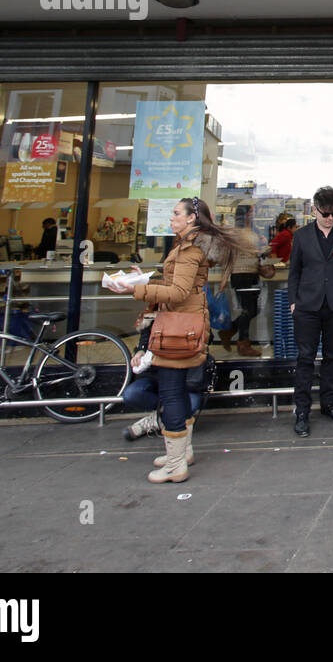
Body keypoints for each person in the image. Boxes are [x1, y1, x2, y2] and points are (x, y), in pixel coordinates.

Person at [104, 195, 242, 483]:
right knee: (175, 392)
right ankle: (182, 452)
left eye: (176, 213)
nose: (171, 218)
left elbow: (178, 294)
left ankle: (176, 464)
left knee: (170, 392)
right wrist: (145, 282)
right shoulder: (185, 248)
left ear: (191, 218)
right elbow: (178, 287)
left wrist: (135, 291)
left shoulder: (189, 251)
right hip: (184, 326)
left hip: (179, 329)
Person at [288, 187, 333, 436]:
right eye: (326, 214)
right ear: (314, 210)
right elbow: (294, 272)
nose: (330, 218)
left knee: (332, 357)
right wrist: (292, 302)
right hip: (307, 306)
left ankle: (328, 404)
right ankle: (302, 411)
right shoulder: (301, 236)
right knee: (305, 358)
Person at [222, 231, 266, 357]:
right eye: (250, 212)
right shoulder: (237, 233)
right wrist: (225, 278)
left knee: (253, 309)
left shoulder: (251, 232)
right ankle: (243, 343)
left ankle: (229, 331)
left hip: (251, 274)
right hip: (241, 274)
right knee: (249, 310)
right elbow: (229, 255)